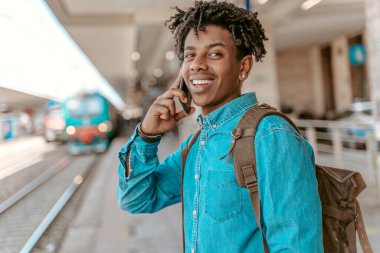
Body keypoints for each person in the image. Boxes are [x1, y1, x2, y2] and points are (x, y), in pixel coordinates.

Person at [117, 1, 323, 252]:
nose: (197, 64)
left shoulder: (270, 136)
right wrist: (147, 136)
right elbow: (135, 199)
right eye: (190, 55)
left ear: (243, 67)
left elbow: (297, 246)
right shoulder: (197, 143)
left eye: (214, 54)